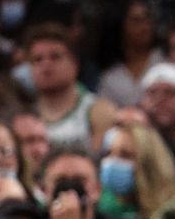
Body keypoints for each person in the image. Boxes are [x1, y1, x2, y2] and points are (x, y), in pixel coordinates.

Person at [25, 24, 118, 155]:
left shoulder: (98, 111)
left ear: (74, 64)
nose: (45, 65)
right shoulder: (24, 113)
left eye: (55, 57)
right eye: (37, 59)